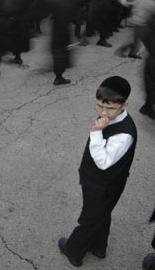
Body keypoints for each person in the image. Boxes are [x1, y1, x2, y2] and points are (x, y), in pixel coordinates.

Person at [58, 76, 138, 267]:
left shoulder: (124, 134)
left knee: (89, 219)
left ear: (124, 105)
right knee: (102, 214)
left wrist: (96, 132)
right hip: (104, 183)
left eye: (110, 109)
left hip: (102, 185)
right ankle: (99, 247)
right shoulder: (108, 117)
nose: (104, 112)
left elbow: (103, 162)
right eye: (99, 106)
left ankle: (74, 251)